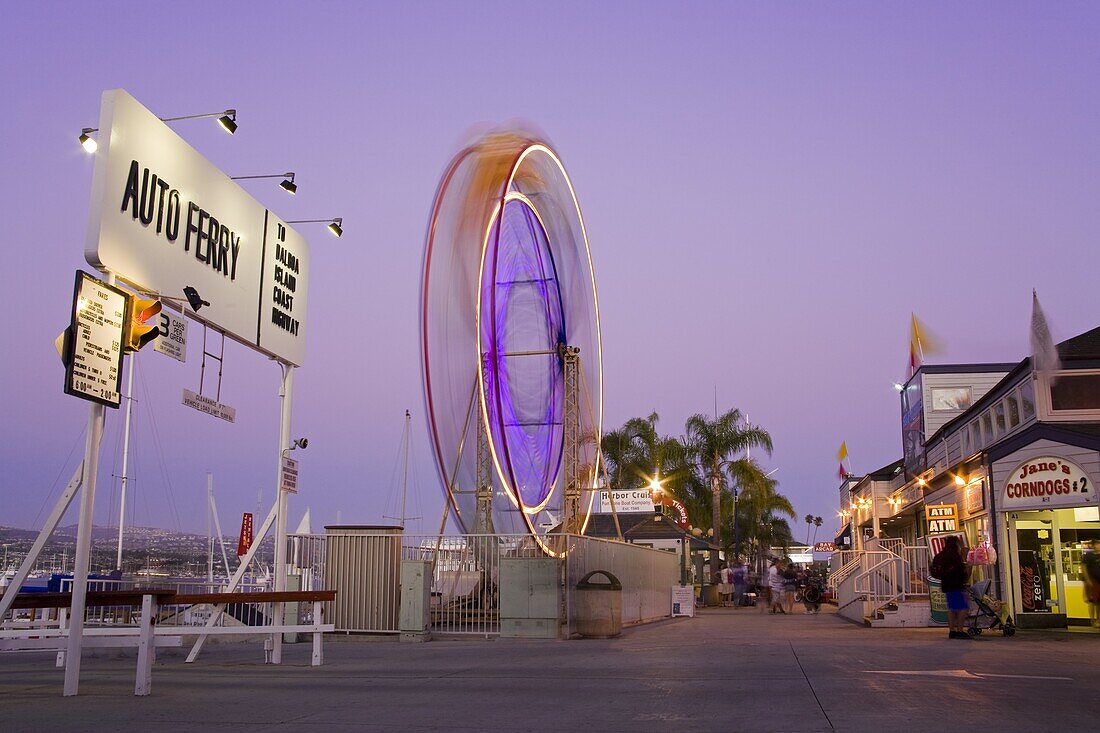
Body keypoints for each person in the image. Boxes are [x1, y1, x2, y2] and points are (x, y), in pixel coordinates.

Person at [930, 536, 970, 639]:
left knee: (951, 608)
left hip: (946, 584)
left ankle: (952, 631)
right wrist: (965, 558)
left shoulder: (941, 555)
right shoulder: (955, 555)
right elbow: (962, 570)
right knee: (963, 608)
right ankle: (960, 631)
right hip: (956, 584)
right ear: (956, 544)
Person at [1081, 539, 1100, 628]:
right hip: (1092, 581)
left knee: (1099, 602)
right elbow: (1083, 567)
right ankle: (1092, 621)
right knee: (1092, 601)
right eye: (1097, 544)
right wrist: (1087, 579)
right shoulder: (1088, 555)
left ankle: (1098, 620)